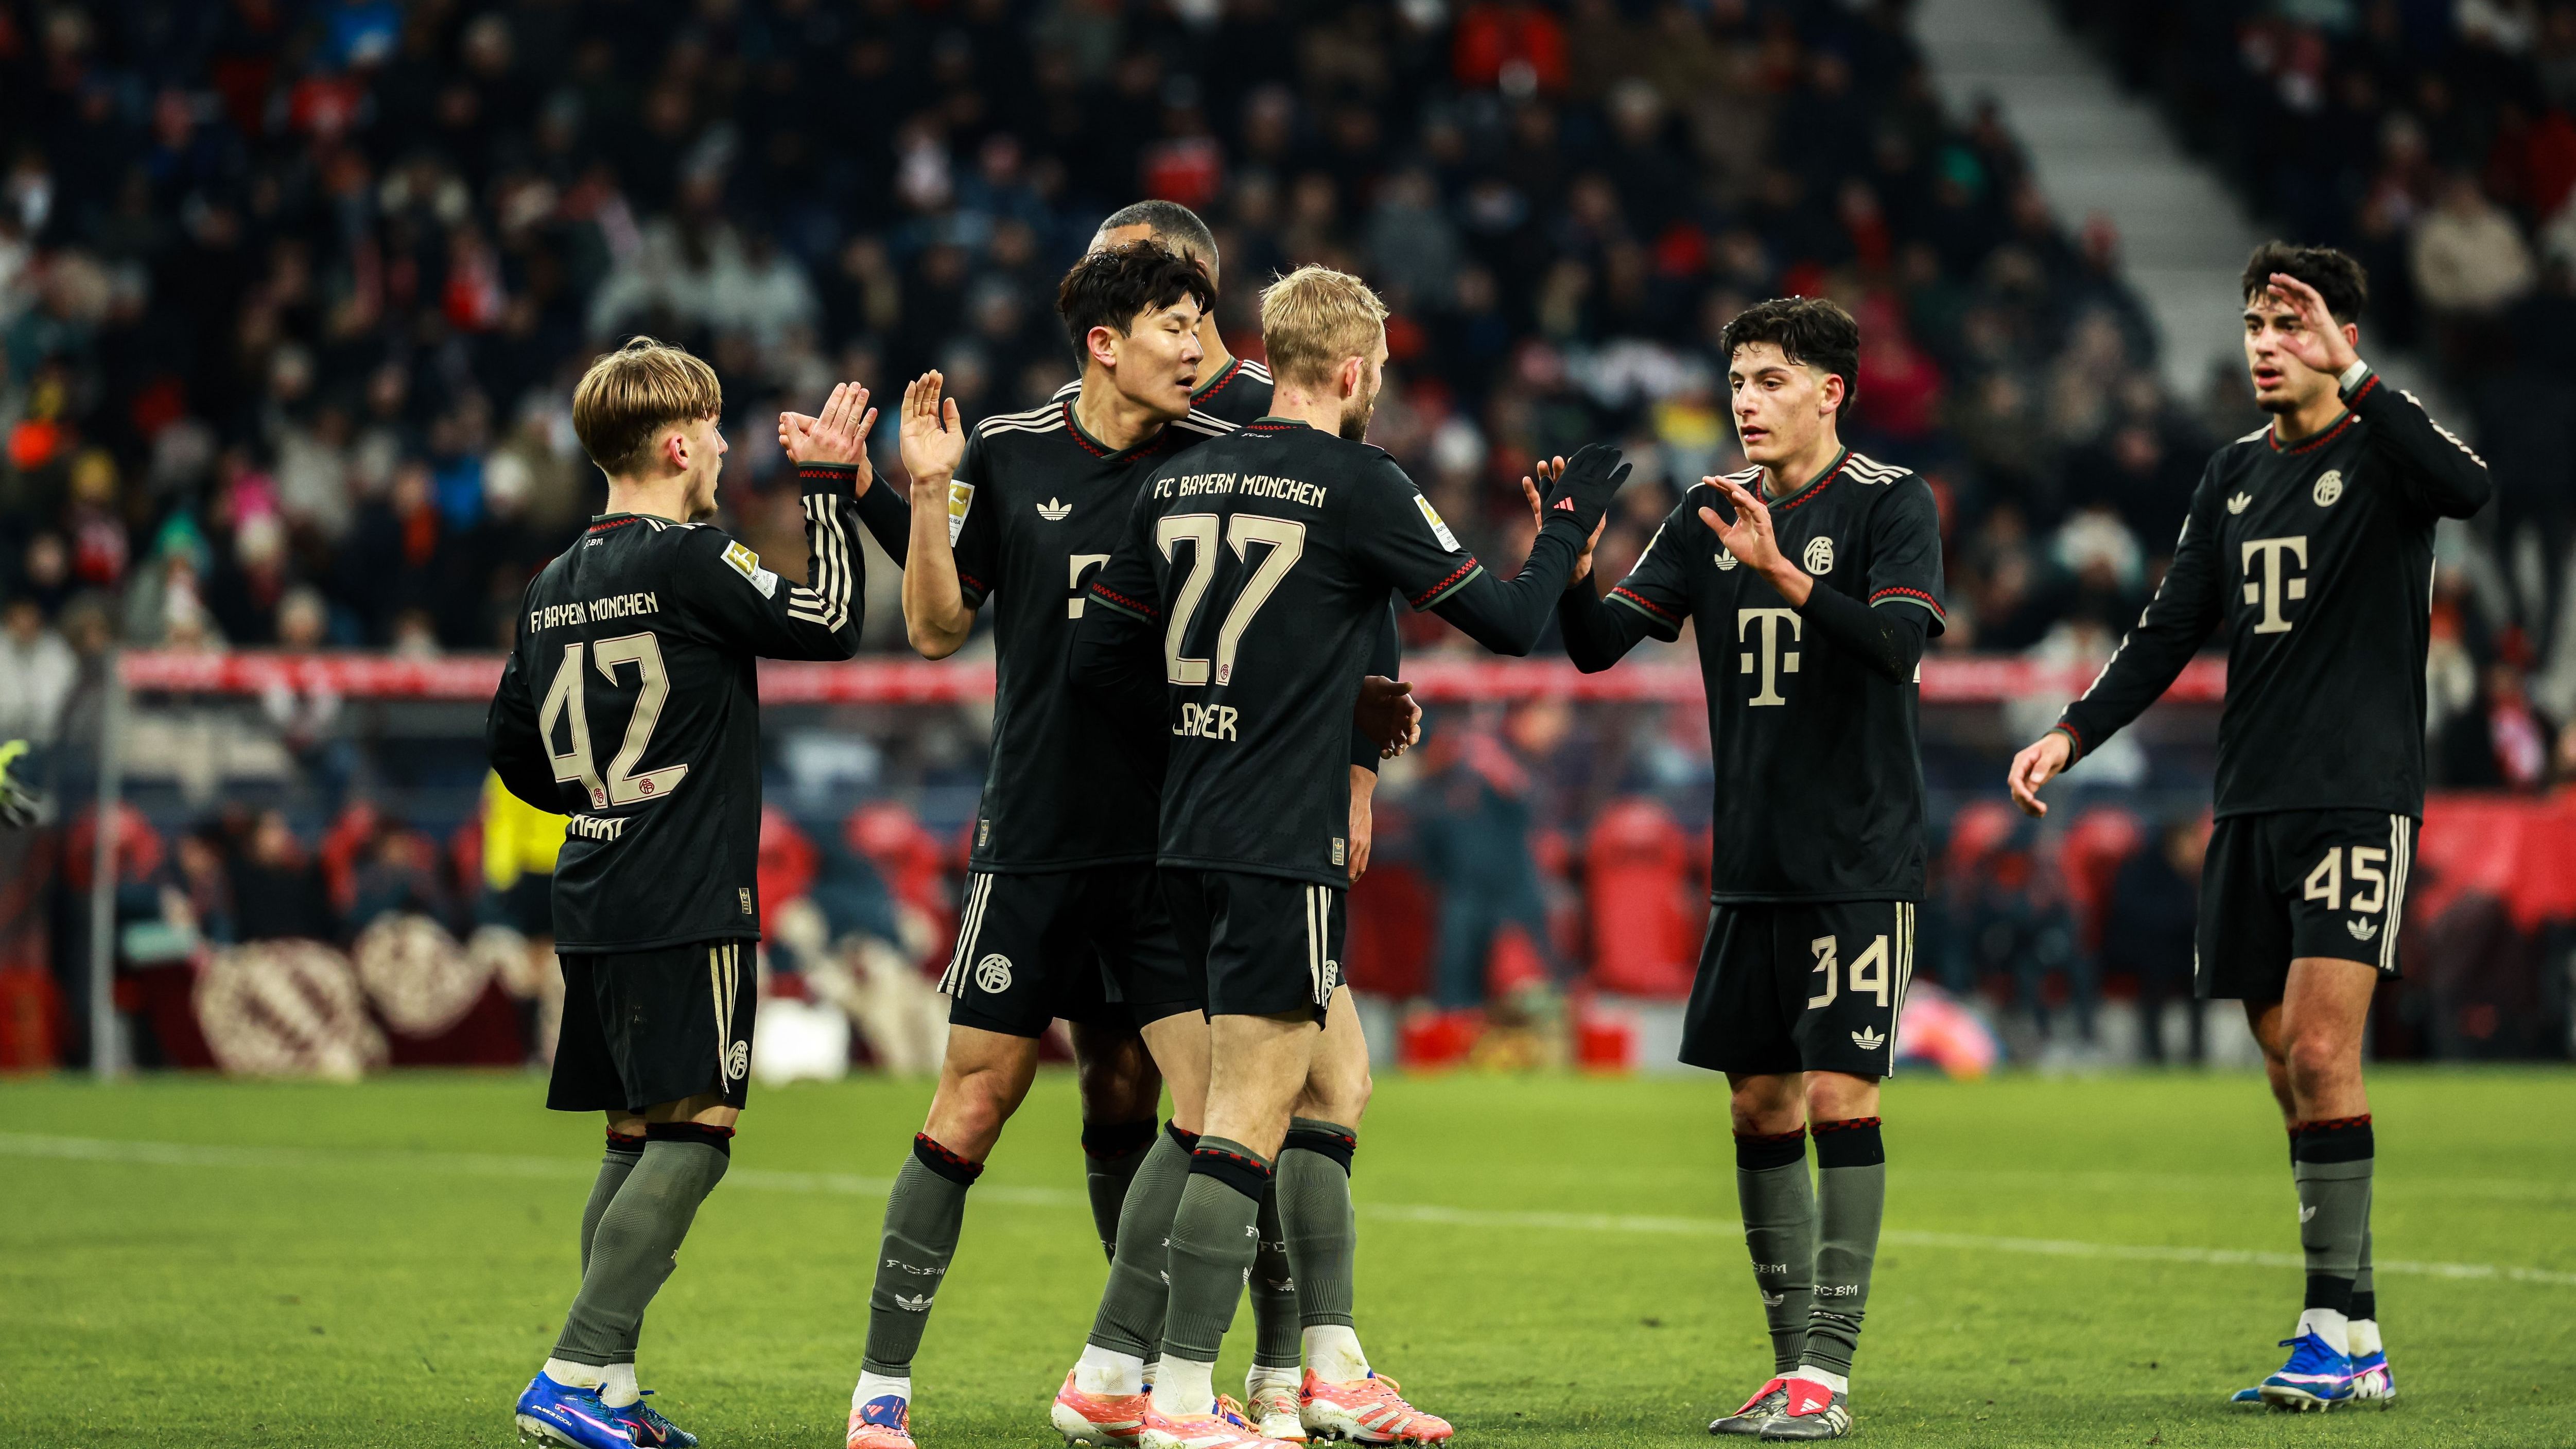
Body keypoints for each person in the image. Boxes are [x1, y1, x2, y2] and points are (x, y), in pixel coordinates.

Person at [1063, 263, 1628, 1449]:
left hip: (1186, 831)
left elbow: (1097, 667)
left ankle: (1321, 1369)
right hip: (1280, 841)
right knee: (1243, 1121)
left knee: (1338, 1084)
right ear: (1358, 371)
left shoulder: (1177, 478)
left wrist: (1237, 709)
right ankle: (1169, 1398)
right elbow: (1517, 624)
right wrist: (1569, 529)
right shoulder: (1361, 481)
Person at [2008, 243, 2489, 1410]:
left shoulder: (2382, 447)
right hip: (2251, 800)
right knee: (2284, 1068)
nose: (2268, 344)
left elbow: (2472, 487)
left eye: (2293, 323)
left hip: (2357, 796)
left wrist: (2363, 376)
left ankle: (2325, 1328)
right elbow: (2169, 629)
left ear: (2340, 335)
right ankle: (2359, 1334)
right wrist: (2073, 731)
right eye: (2257, 324)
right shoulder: (2229, 473)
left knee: (2325, 1053)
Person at [1557, 296, 1946, 1442]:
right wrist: (1575, 560)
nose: (1746, 399)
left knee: (1840, 1097)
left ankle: (1827, 1371)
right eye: (1738, 378)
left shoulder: (1892, 501)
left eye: (1772, 379)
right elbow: (1593, 646)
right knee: (1756, 1104)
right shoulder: (1705, 512)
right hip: (1752, 862)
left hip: (1859, 860)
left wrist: (1780, 571)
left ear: (1832, 391)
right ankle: (1788, 1371)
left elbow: (1896, 646)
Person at [485, 338, 869, 1449]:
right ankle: (567, 1370)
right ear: (673, 442)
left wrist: (607, 789)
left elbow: (515, 750)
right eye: (708, 430)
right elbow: (831, 622)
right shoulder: (693, 557)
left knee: (631, 1134)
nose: (718, 448)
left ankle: (607, 1383)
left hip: (595, 878)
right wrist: (832, 492)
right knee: (698, 1132)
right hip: (687, 887)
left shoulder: (551, 585)